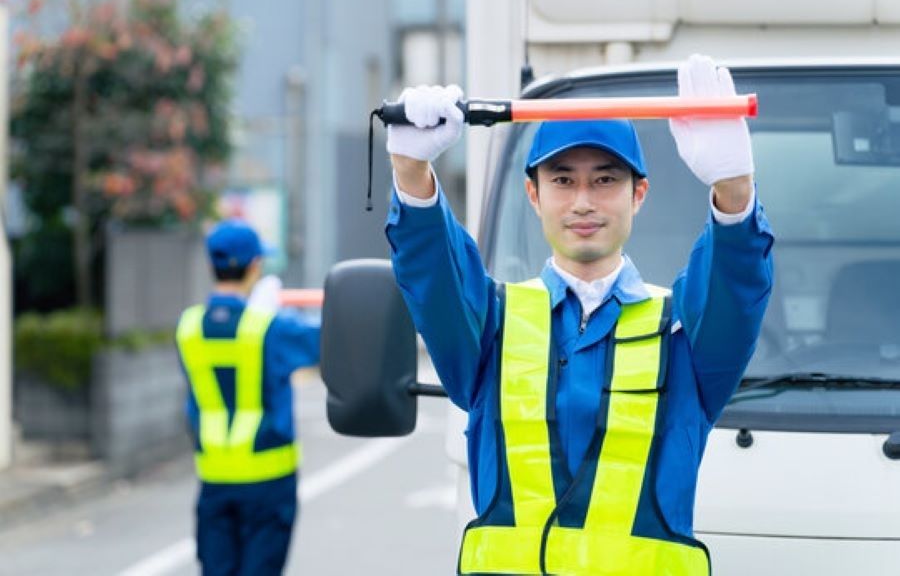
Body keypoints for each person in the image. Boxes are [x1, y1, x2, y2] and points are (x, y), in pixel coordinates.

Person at [384, 55, 774, 575]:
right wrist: (411, 172)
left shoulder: (682, 336)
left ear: (639, 194)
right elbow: (434, 275)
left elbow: (736, 285)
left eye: (605, 180)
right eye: (563, 180)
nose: (584, 202)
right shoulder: (492, 326)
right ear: (534, 194)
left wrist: (735, 192)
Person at [175, 219, 320, 575]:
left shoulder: (188, 327)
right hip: (269, 483)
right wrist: (270, 313)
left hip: (214, 480)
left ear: (211, 266)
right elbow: (328, 341)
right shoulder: (270, 328)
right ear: (255, 267)